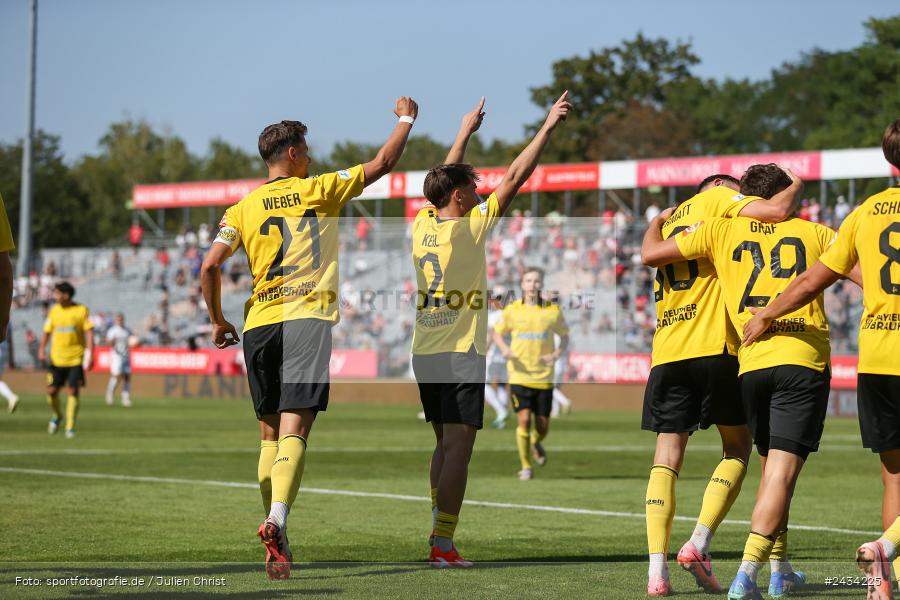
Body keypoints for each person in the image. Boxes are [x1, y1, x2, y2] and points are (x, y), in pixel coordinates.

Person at [200, 97, 417, 580]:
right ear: (294, 154)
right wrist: (406, 119)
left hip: (257, 325)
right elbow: (383, 163)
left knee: (268, 435)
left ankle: (277, 537)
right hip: (306, 319)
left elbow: (210, 265)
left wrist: (217, 320)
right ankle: (276, 517)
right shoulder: (318, 189)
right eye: (308, 148)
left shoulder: (242, 208)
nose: (313, 156)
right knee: (295, 431)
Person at [642, 164, 855, 600]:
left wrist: (655, 222)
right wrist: (796, 186)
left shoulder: (702, 225)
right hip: (740, 350)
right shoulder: (730, 208)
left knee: (669, 459)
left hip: (678, 353)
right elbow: (787, 222)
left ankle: (657, 573)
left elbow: (650, 255)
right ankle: (716, 550)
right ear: (722, 189)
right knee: (761, 461)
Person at [411, 92, 571, 567]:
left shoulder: (423, 223)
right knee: (459, 446)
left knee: (442, 442)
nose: (481, 192)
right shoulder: (471, 227)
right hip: (461, 350)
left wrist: (463, 133)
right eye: (473, 189)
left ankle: (437, 533)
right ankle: (443, 543)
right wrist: (547, 127)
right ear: (460, 197)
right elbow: (517, 175)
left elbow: (443, 182)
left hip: (426, 347)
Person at [742, 118, 900, 600]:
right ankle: (886, 548)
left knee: (894, 474)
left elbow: (814, 280)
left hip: (876, 357)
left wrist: (767, 313)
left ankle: (883, 584)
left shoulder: (865, 211)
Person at [492, 267, 569, 480]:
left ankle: (536, 442)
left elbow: (565, 336)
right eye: (528, 281)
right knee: (524, 421)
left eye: (536, 281)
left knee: (542, 426)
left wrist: (555, 354)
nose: (532, 284)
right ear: (522, 284)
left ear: (541, 283)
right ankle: (526, 466)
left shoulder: (553, 311)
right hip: (518, 375)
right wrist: (504, 349)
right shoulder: (512, 310)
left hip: (543, 376)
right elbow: (497, 334)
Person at [38, 282, 94, 438]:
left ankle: (70, 427)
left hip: (75, 359)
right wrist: (42, 349)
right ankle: (57, 415)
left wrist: (90, 353)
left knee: (73, 391)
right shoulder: (54, 311)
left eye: (57, 293)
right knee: (52, 391)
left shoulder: (81, 310)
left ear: (66, 295)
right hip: (56, 360)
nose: (54, 296)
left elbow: (89, 332)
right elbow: (46, 332)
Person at [485, 289, 510, 428]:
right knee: (502, 385)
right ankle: (502, 418)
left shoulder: (494, 316)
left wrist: (485, 350)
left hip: (494, 354)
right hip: (507, 354)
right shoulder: (511, 314)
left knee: (482, 384)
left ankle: (501, 411)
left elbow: (492, 336)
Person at [105, 313, 135, 407]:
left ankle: (125, 398)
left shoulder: (127, 330)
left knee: (127, 376)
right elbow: (108, 343)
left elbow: (131, 340)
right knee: (117, 376)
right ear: (116, 320)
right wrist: (112, 341)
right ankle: (110, 393)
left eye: (121, 319)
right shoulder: (113, 331)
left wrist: (135, 342)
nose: (120, 321)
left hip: (126, 356)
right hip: (116, 356)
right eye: (118, 319)